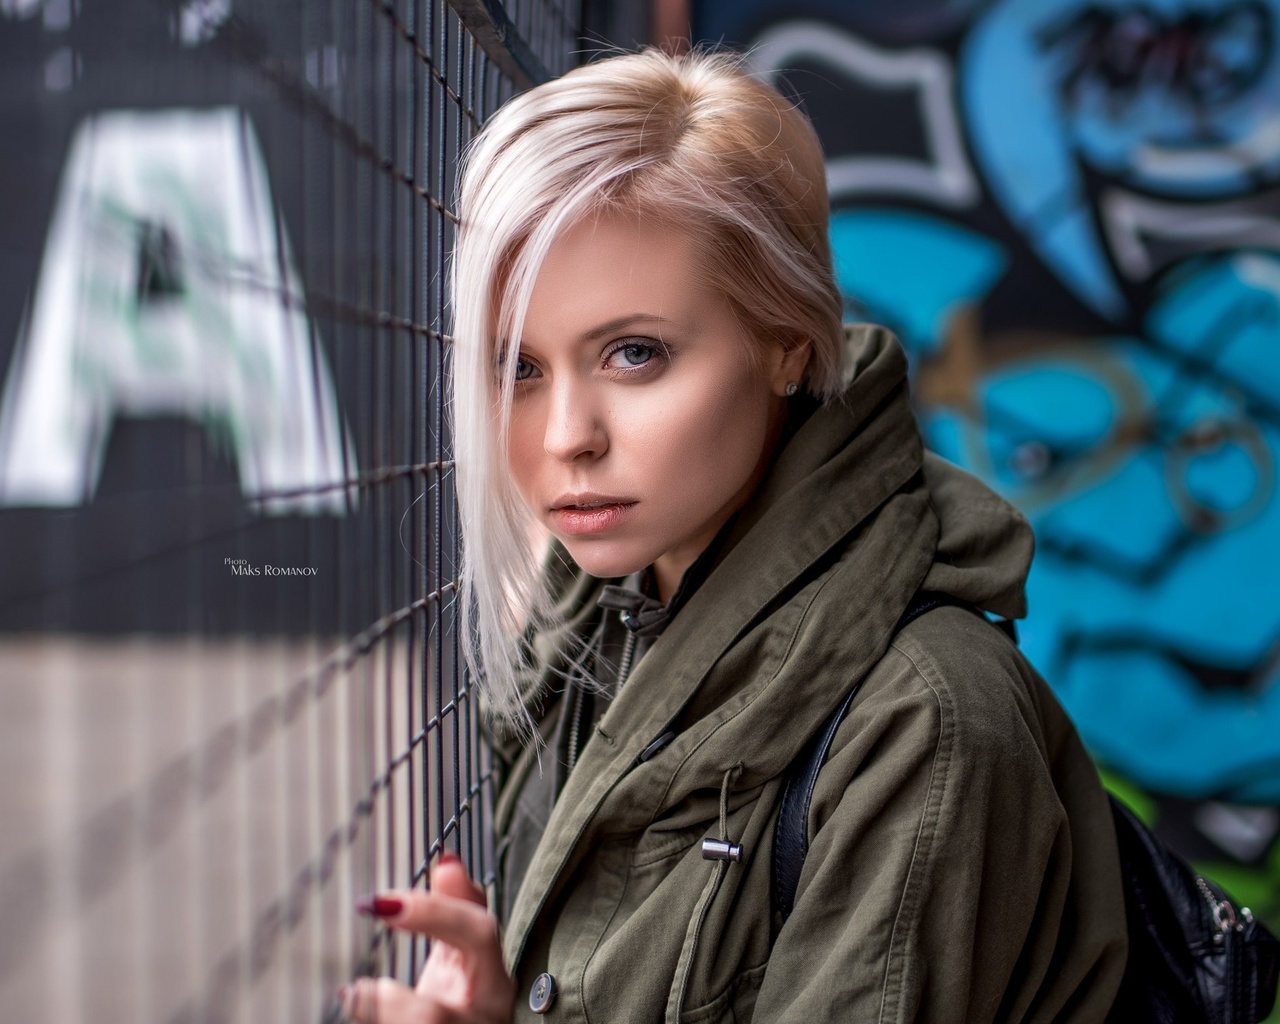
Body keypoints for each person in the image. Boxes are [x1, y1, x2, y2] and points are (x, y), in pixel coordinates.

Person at [339, 46, 1129, 1024]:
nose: (563, 438)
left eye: (634, 353)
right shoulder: (596, 627)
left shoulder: (919, 727)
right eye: (520, 367)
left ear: (786, 344)